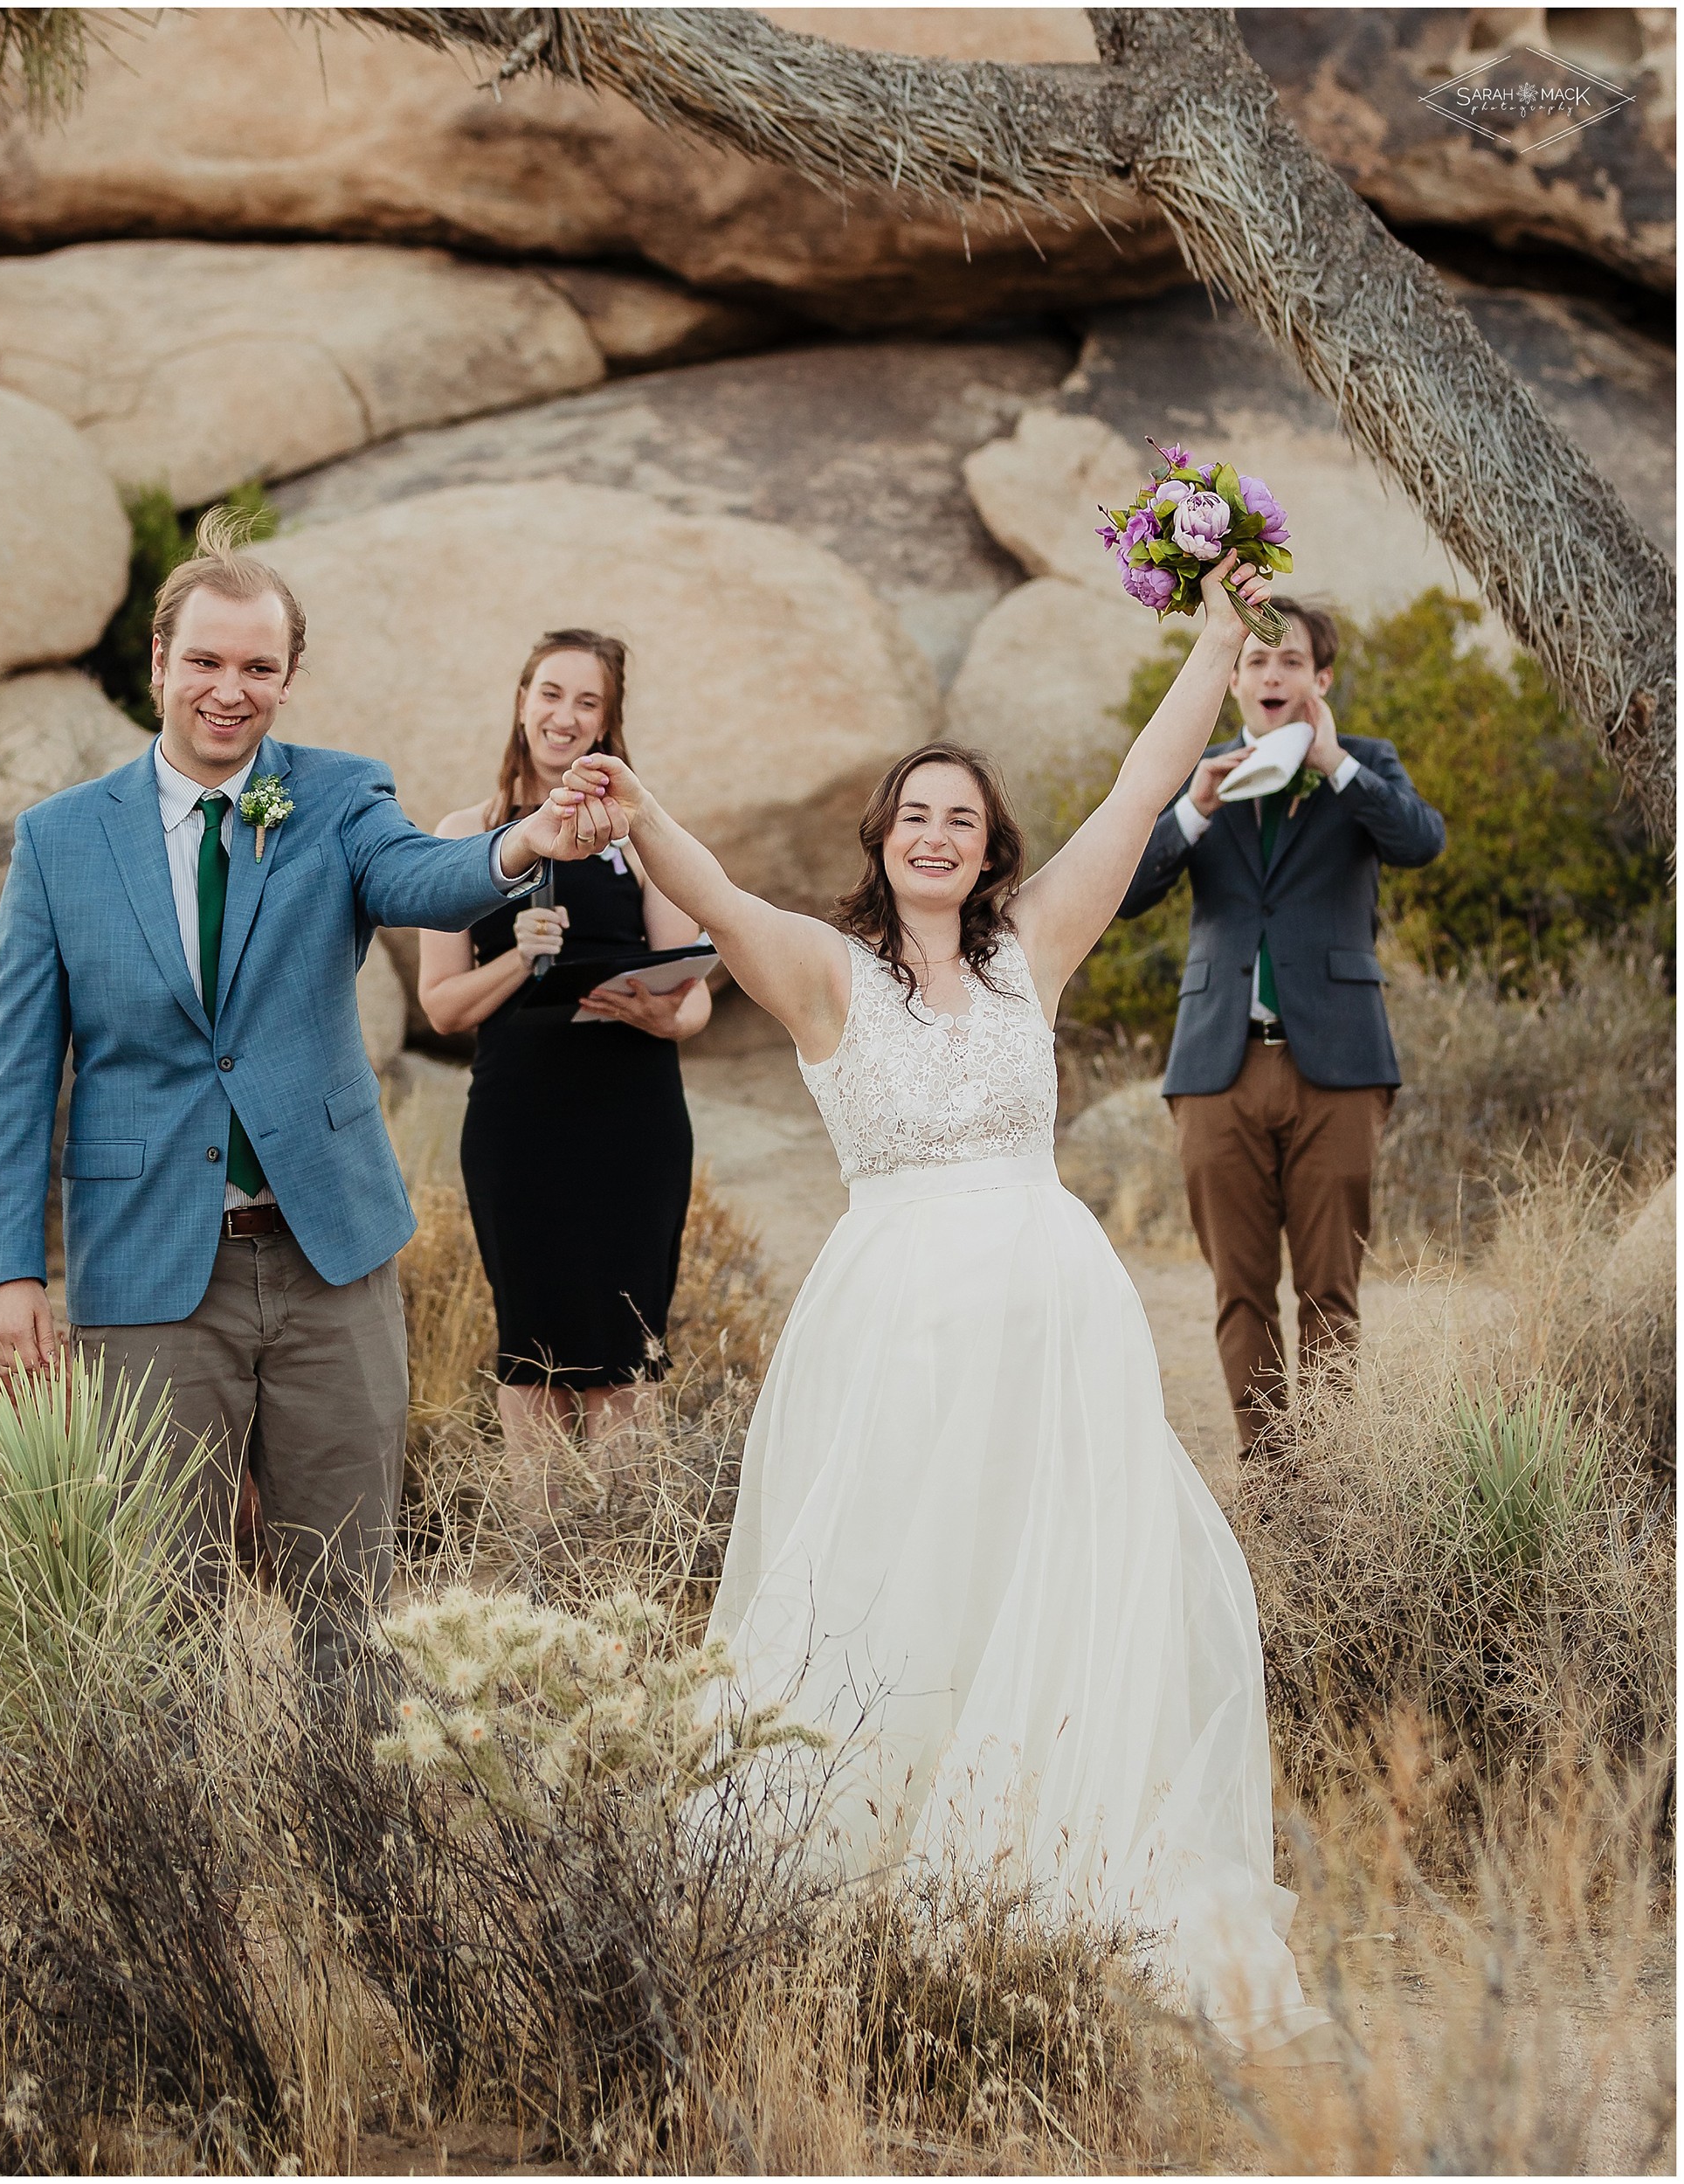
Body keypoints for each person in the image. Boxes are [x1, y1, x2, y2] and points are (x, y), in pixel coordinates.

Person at [561, 550, 1329, 2056]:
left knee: (1059, 1584)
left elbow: (1141, 785)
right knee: (893, 1582)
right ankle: (863, 1886)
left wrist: (1220, 635)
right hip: (897, 1330)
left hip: (1053, 1325)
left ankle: (1053, 1879)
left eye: (960, 820)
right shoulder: (824, 975)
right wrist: (637, 808)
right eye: (913, 814)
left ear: (989, 855)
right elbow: (709, 892)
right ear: (883, 839)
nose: (934, 833)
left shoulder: (1032, 950)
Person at [0, 511, 605, 1684]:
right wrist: (11, 1267)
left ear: (289, 678)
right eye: (206, 661)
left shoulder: (333, 796)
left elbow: (423, 875)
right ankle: (165, 1866)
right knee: (162, 1606)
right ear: (157, 663)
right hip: (149, 1271)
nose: (230, 690)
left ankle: (354, 1855)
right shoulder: (58, 841)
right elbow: (18, 1070)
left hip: (331, 1260)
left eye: (258, 667)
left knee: (350, 1598)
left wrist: (525, 843)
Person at [1116, 600, 1446, 1449]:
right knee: (1238, 1289)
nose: (1272, 675)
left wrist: (1333, 761)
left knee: (1330, 1290)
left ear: (1319, 680)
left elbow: (1418, 842)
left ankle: (1332, 1494)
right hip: (1213, 1067)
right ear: (1231, 679)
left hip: (1335, 1063)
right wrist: (1189, 811)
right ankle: (1269, 1483)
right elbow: (1121, 894)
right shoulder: (1197, 775)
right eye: (1257, 662)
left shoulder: (1364, 764)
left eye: (1290, 662)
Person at [417, 632, 708, 1490]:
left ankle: (621, 1574)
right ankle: (541, 1583)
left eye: (588, 703)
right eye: (551, 693)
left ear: (609, 723)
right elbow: (440, 1006)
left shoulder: (644, 838)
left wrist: (661, 1014)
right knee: (533, 1356)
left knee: (625, 1357)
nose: (565, 716)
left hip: (633, 1118)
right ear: (520, 700)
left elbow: (694, 997)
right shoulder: (464, 834)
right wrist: (515, 958)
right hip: (519, 1124)